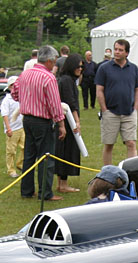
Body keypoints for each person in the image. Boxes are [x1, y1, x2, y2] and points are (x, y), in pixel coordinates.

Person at [11, 45, 66, 201]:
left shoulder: (24, 74)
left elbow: (14, 94)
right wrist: (61, 125)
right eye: (54, 61)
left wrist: (27, 99)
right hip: (42, 121)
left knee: (29, 155)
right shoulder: (48, 77)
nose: (55, 64)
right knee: (46, 157)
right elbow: (55, 105)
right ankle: (45, 193)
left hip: (27, 119)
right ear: (49, 60)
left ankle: (27, 190)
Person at [96, 39, 138, 166]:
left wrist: (135, 108)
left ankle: (132, 171)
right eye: (115, 49)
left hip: (129, 112)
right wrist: (104, 109)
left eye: (120, 50)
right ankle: (107, 173)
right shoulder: (104, 68)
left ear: (126, 53)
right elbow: (99, 90)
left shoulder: (133, 68)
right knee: (109, 144)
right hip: (110, 112)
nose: (117, 52)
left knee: (131, 143)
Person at [55, 53, 82, 193]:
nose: (80, 69)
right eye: (78, 66)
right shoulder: (66, 81)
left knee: (62, 150)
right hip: (67, 120)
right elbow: (70, 103)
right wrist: (77, 122)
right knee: (66, 150)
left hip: (64, 119)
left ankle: (61, 183)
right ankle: (63, 184)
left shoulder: (66, 79)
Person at [0, 76, 24, 178]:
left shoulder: (22, 97)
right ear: (10, 87)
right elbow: (4, 115)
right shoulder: (7, 100)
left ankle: (20, 164)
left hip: (22, 127)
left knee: (26, 147)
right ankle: (11, 170)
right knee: (11, 151)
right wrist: (8, 128)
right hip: (12, 129)